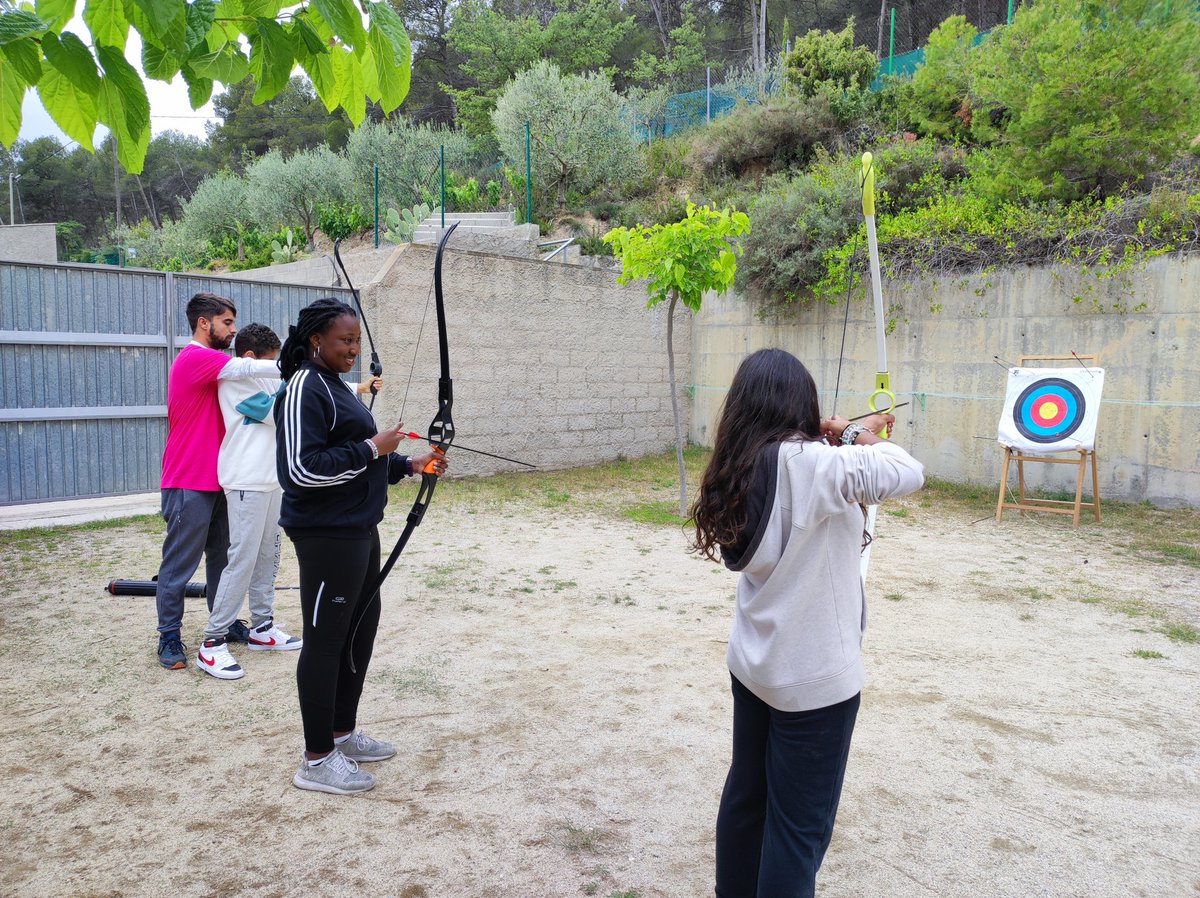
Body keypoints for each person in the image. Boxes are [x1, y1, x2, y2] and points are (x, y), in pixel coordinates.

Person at [691, 348, 924, 898]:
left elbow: (797, 480)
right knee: (797, 833)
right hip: (814, 683)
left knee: (747, 801)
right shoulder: (817, 464)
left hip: (754, 667)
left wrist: (841, 436)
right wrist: (848, 434)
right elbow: (907, 470)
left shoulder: (744, 462)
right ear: (802, 405)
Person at [275, 298, 449, 795]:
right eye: (343, 341)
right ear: (316, 341)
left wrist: (408, 465)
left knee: (358, 632)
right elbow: (301, 470)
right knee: (327, 640)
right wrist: (377, 448)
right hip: (326, 533)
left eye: (356, 341)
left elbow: (354, 459)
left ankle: (341, 733)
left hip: (356, 528)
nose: (353, 350)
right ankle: (315, 759)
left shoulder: (333, 386)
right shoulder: (303, 387)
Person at [196, 324, 383, 680]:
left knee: (269, 555)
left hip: (271, 480)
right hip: (245, 480)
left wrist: (357, 387)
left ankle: (262, 627)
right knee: (243, 557)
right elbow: (277, 408)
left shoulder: (273, 380)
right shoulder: (234, 381)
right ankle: (213, 641)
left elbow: (301, 389)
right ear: (251, 358)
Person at [154, 293, 282, 671]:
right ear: (203, 323)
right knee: (179, 564)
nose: (233, 330)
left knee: (223, 559)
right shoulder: (195, 358)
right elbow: (249, 369)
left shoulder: (219, 368)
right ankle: (169, 636)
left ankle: (222, 626)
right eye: (227, 322)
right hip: (187, 478)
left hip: (223, 479)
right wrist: (302, 364)